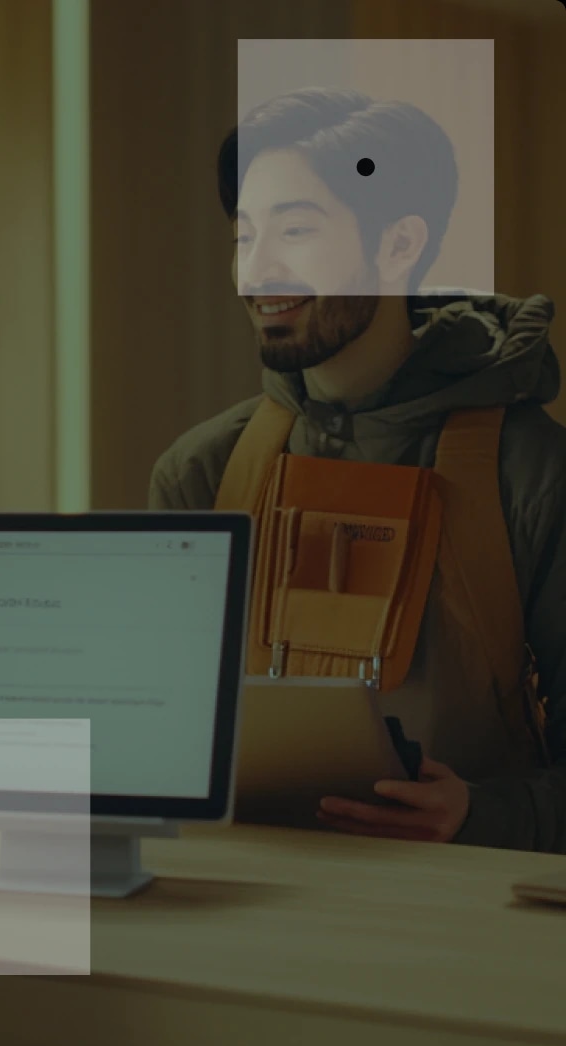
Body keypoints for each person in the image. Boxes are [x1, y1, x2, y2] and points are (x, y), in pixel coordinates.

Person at [149, 89, 566, 853]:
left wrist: (480, 813)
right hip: (239, 901)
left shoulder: (529, 470)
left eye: (297, 230)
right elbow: (161, 732)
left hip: (463, 928)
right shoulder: (204, 470)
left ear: (400, 244)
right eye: (244, 234)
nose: (257, 269)